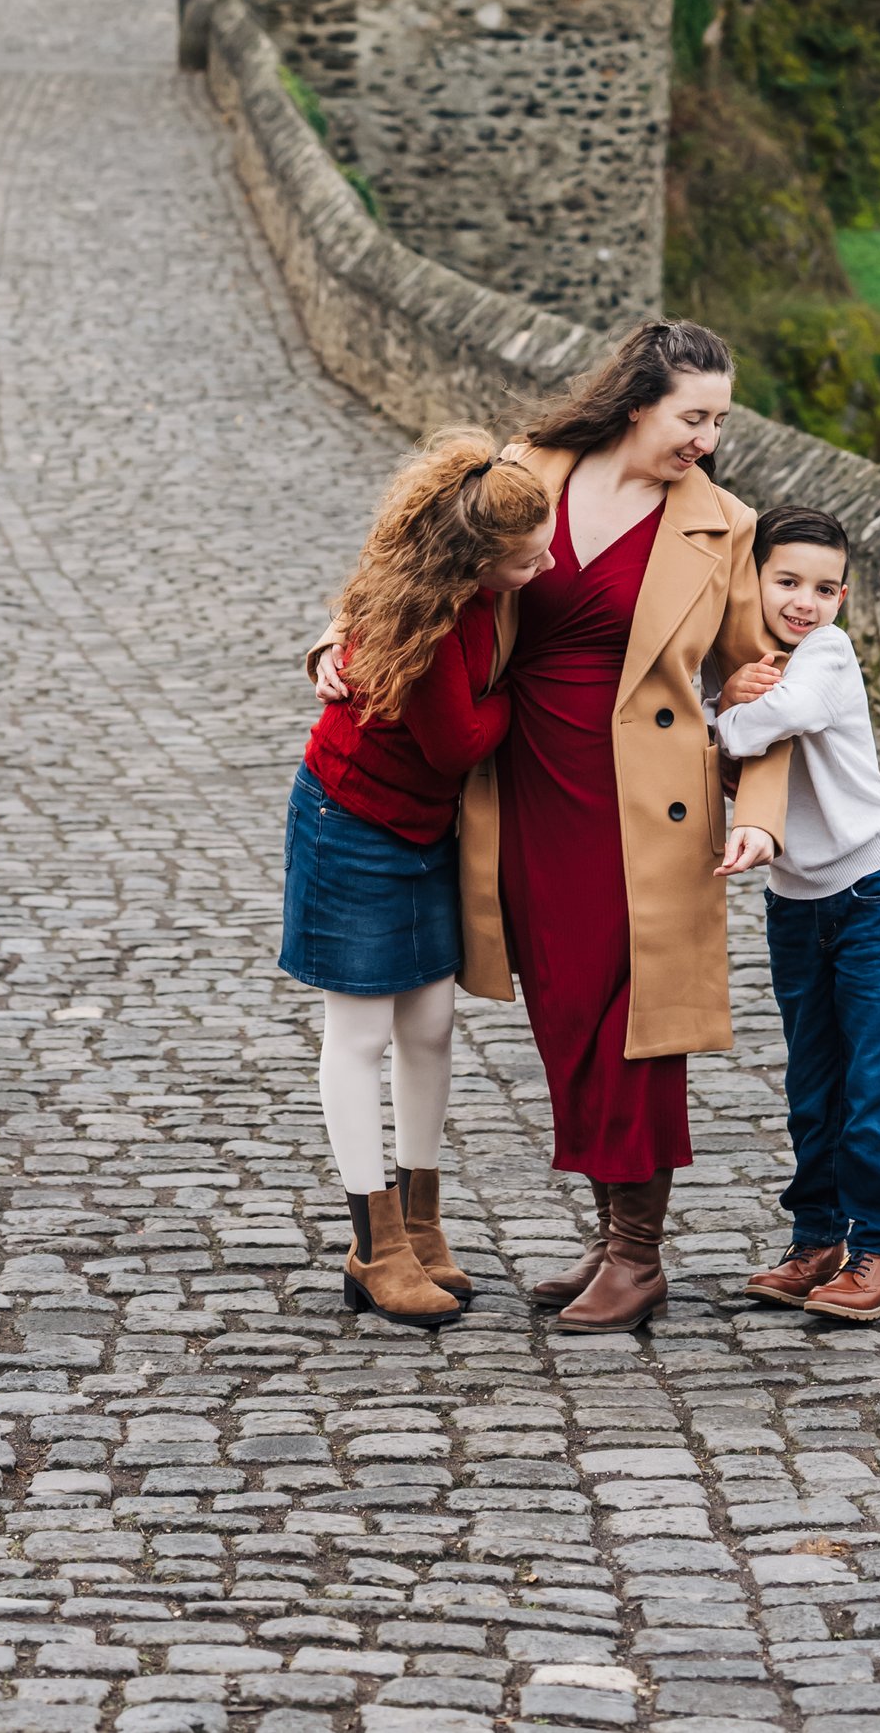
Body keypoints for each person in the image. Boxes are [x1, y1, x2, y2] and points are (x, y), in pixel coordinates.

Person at [322, 319, 792, 1333]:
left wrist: (756, 811)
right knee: (570, 1020)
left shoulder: (725, 525)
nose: (707, 439)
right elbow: (417, 562)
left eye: (718, 420)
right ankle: (608, 1231)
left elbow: (762, 685)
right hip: (520, 789)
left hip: (650, 812)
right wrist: (333, 630)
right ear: (636, 404)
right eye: (693, 416)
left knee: (639, 1026)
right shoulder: (528, 471)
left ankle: (638, 1256)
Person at [282, 431, 556, 1327]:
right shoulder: (435, 623)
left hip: (422, 827)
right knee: (359, 1031)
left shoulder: (458, 537)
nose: (544, 566)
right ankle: (374, 1243)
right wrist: (528, 692)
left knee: (430, 1024)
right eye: (527, 560)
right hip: (352, 822)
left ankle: (424, 1222)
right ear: (474, 560)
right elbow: (462, 741)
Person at [715, 503, 880, 1323]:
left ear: (844, 597)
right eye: (787, 581)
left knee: (874, 1082)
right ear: (753, 580)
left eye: (826, 587)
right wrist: (725, 697)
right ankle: (816, 1239)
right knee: (812, 1083)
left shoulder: (825, 656)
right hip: (794, 906)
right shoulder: (748, 661)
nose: (806, 601)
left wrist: (718, 714)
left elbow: (781, 718)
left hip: (873, 894)